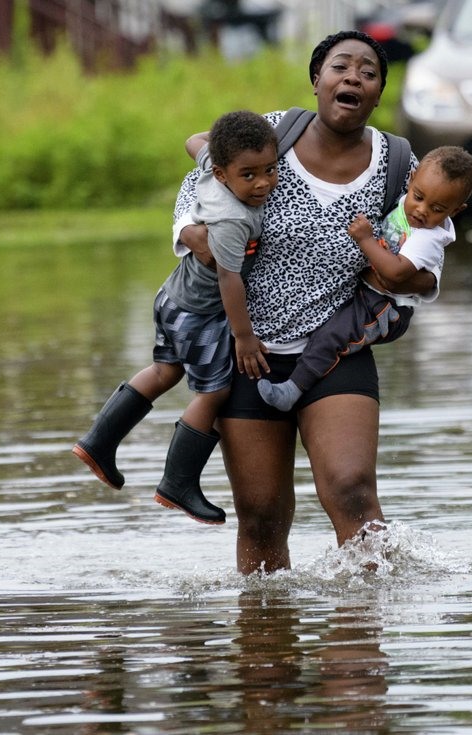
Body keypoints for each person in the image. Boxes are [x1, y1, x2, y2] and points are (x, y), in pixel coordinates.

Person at [174, 30, 437, 573]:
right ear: (317, 79)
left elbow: (429, 235)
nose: (353, 77)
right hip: (247, 350)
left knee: (352, 490)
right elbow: (199, 180)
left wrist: (414, 276)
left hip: (336, 347)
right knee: (262, 514)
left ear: (378, 94)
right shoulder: (272, 133)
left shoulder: (399, 164)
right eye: (341, 66)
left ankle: (365, 638)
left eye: (368, 72)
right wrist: (192, 233)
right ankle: (266, 644)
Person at [72, 110, 278, 525]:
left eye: (270, 170)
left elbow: (192, 140)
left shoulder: (210, 166)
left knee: (165, 370)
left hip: (171, 299)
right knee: (214, 392)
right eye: (249, 175)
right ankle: (178, 483)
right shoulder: (233, 218)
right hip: (200, 313)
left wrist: (219, 144)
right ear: (222, 175)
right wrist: (243, 337)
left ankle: (98, 441)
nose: (263, 183)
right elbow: (228, 278)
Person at [257, 146, 472, 411]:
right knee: (326, 326)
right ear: (411, 178)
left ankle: (292, 390)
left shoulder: (428, 238)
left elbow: (394, 274)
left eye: (437, 208)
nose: (421, 210)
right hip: (368, 294)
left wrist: (364, 240)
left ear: (455, 211)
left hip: (385, 308)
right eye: (418, 196)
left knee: (333, 336)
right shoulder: (403, 203)